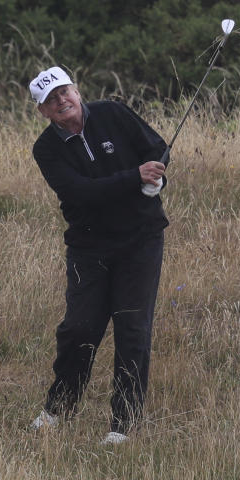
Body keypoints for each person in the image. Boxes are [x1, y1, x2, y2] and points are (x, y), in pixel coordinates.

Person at [28, 65, 168, 445]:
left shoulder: (112, 113)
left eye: (64, 92)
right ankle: (59, 408)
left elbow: (155, 148)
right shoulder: (46, 149)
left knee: (132, 330)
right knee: (80, 328)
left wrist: (157, 177)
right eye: (50, 100)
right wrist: (134, 178)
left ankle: (122, 426)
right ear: (42, 111)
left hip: (141, 241)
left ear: (77, 90)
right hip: (89, 248)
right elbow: (81, 193)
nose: (61, 101)